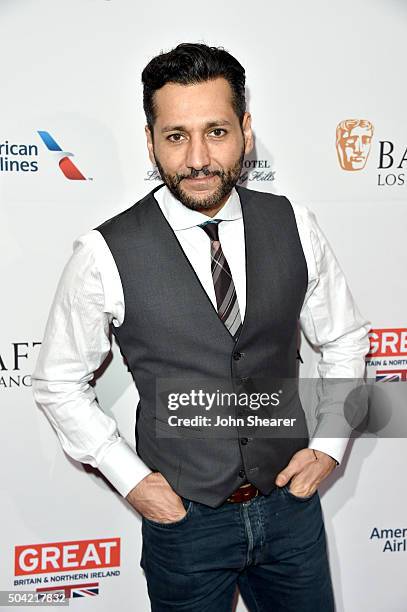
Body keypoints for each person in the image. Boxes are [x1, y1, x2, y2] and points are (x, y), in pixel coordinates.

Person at [32, 43, 370, 611]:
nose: (196, 159)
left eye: (215, 131)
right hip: (185, 527)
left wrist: (330, 446)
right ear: (150, 141)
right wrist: (135, 482)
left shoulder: (295, 224)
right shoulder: (105, 251)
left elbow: (343, 339)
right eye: (175, 135)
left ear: (246, 130)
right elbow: (58, 382)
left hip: (290, 510)